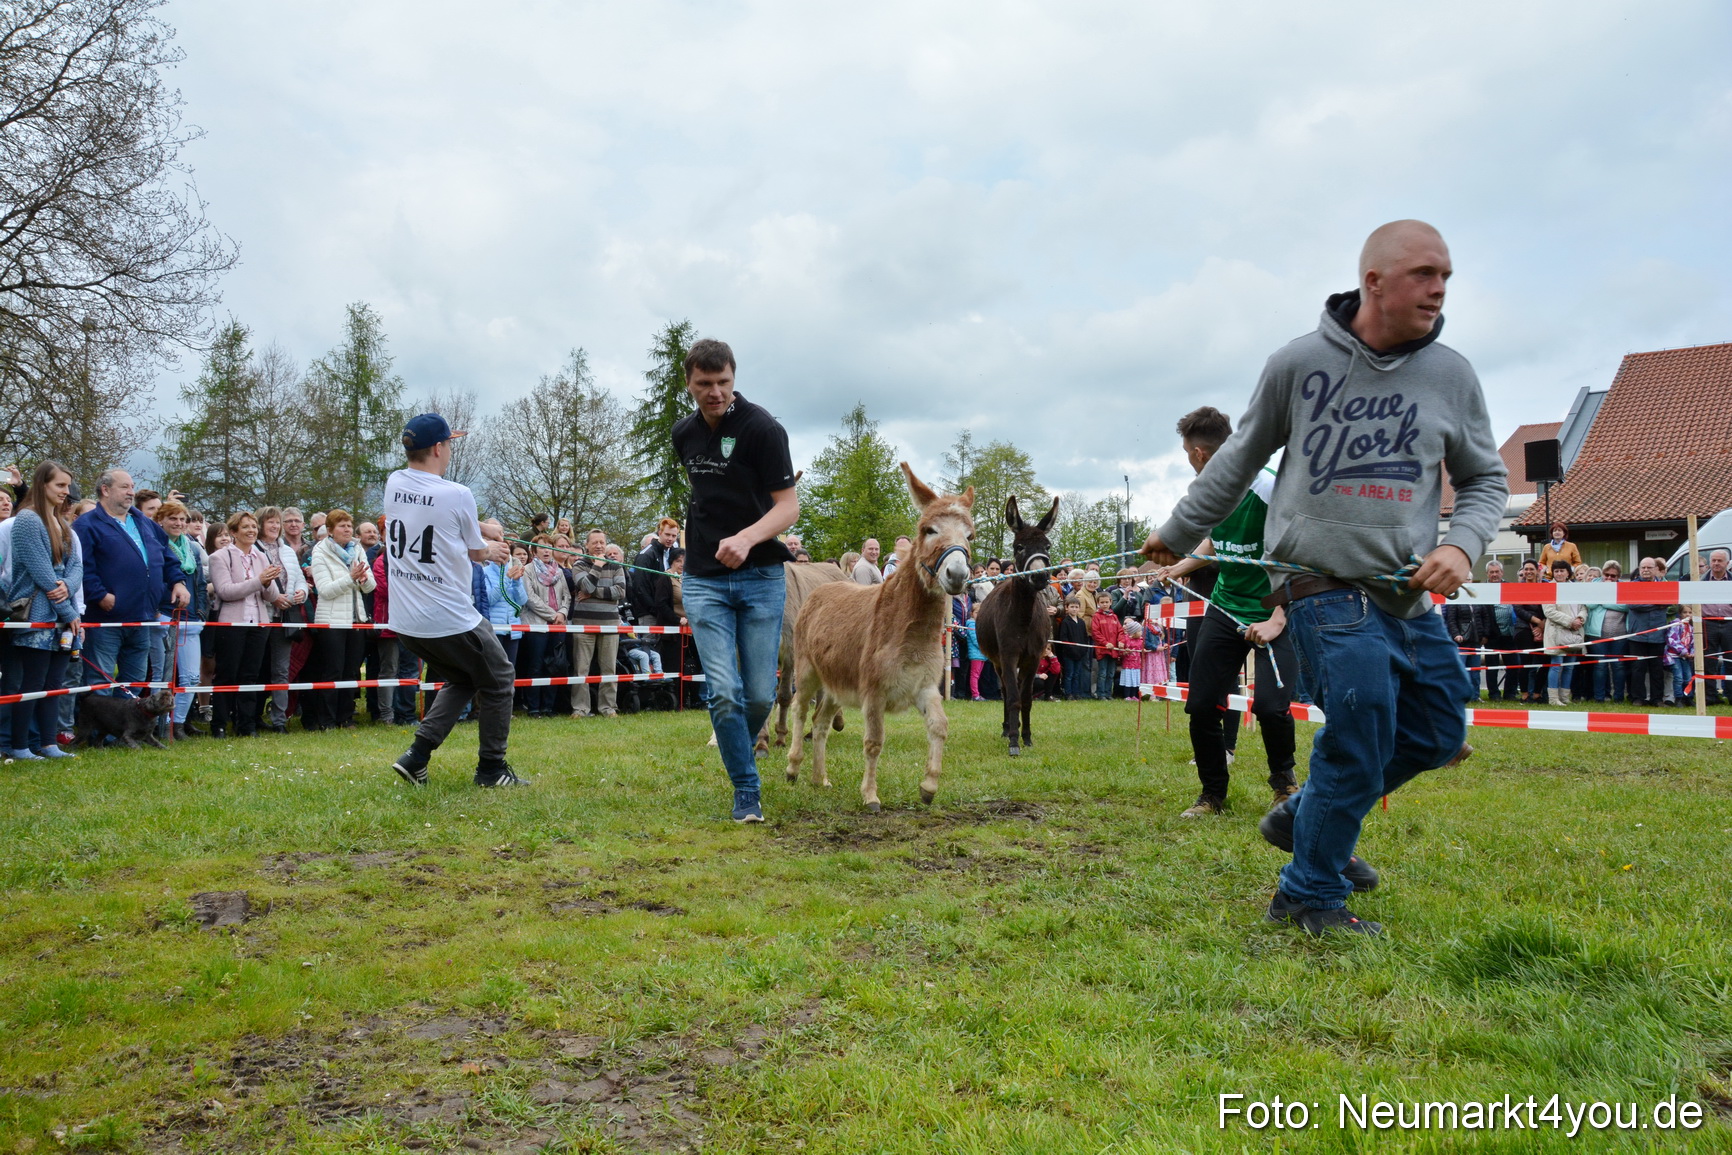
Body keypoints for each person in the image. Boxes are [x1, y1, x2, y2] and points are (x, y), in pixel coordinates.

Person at [1141, 220, 1506, 935]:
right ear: (1374, 282)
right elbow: (1238, 458)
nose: (1439, 288)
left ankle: (1304, 816)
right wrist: (1180, 531)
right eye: (1424, 274)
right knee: (1362, 723)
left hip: (1406, 592)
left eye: (1446, 276)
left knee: (1438, 730)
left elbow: (1486, 478)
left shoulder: (1452, 375)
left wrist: (1463, 545)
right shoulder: (1299, 364)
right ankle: (1309, 893)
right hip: (1320, 583)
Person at [671, 337, 799, 822]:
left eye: (723, 382)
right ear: (689, 383)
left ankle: (737, 752)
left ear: (734, 378)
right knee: (724, 692)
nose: (715, 392)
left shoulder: (763, 429)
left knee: (760, 695)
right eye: (704, 383)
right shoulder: (683, 434)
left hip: (761, 575)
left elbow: (788, 507)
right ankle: (747, 788)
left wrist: (746, 538)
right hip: (704, 580)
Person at [1157, 406, 1300, 816]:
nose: (1190, 461)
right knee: (1202, 704)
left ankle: (1284, 785)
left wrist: (1276, 618)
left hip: (1276, 608)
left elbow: (1300, 554)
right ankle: (1212, 795)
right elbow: (1217, 541)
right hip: (1225, 607)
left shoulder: (1270, 489)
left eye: (1187, 454)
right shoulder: (1212, 492)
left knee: (1270, 706)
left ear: (1199, 453)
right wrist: (1181, 567)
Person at [384, 413, 523, 788]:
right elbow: (478, 552)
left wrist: (482, 526)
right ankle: (491, 769)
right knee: (499, 679)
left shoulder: (395, 483)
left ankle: (416, 757)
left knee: (463, 677)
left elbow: (434, 515)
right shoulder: (458, 494)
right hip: (448, 615)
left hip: (406, 620)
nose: (449, 451)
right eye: (448, 444)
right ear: (437, 448)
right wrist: (492, 548)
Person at [74, 470, 191, 696]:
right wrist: (100, 596)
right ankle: (97, 722)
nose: (131, 492)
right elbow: (81, 567)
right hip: (105, 620)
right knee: (100, 683)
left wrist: (178, 581)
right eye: (125, 487)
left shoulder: (143, 522)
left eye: (132, 487)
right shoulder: (87, 525)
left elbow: (165, 554)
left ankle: (122, 721)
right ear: (105, 490)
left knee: (134, 682)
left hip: (142, 618)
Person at [7, 461, 81, 759]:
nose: (66, 491)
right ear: (42, 485)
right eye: (59, 485)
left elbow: (76, 567)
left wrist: (68, 587)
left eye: (67, 486)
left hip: (62, 617)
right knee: (32, 684)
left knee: (54, 685)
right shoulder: (27, 519)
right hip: (37, 615)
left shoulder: (61, 522)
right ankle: (20, 746)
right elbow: (42, 573)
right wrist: (69, 612)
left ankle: (49, 743)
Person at [208, 511, 280, 738]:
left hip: (259, 623)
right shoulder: (220, 557)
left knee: (251, 675)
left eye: (253, 526)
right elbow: (225, 591)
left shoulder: (261, 556)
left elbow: (272, 596)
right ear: (233, 532)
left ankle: (246, 725)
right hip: (232, 624)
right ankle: (219, 724)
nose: (251, 530)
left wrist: (267, 583)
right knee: (227, 674)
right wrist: (259, 581)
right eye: (246, 527)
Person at [305, 509, 376, 731]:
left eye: (349, 525)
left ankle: (346, 717)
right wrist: (350, 578)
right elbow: (325, 590)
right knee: (333, 670)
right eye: (342, 526)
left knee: (351, 670)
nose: (347, 529)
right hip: (331, 621)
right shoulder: (320, 552)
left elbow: (371, 586)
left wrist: (363, 579)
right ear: (330, 530)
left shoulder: (357, 550)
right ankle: (326, 719)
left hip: (357, 619)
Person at [256, 506, 310, 734]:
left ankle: (279, 720)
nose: (275, 526)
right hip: (261, 615)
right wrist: (275, 598)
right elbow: (253, 581)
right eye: (270, 522)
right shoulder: (253, 549)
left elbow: (298, 578)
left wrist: (301, 593)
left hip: (285, 616)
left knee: (281, 670)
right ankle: (251, 717)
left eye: (277, 522)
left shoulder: (286, 550)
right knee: (256, 669)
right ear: (260, 524)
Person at [155, 500, 206, 738]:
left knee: (192, 677)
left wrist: (202, 613)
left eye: (182, 519)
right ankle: (158, 725)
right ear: (160, 521)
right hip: (163, 616)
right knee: (162, 676)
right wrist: (155, 610)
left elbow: (201, 585)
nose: (178, 523)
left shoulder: (193, 549)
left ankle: (178, 723)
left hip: (191, 619)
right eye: (173, 518)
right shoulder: (154, 545)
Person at [567, 528, 625, 717]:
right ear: (587, 545)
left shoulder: (616, 566)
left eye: (602, 542)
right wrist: (598, 566)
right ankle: (580, 708)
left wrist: (593, 593)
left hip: (610, 624)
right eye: (595, 542)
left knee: (609, 668)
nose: (599, 546)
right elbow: (586, 585)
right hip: (584, 624)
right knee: (581, 669)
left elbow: (620, 591)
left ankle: (608, 707)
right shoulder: (579, 565)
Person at [370, 523, 421, 727]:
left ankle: (406, 714)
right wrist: (412, 592)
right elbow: (385, 589)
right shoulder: (380, 561)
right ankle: (387, 714)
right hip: (389, 624)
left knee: (410, 670)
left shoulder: (412, 560)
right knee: (389, 669)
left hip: (411, 623)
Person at [519, 536, 570, 717]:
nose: (547, 550)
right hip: (536, 624)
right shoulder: (527, 570)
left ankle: (549, 706)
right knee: (536, 665)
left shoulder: (559, 571)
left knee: (554, 665)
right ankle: (534, 707)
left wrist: (562, 613)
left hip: (558, 625)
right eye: (542, 547)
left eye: (549, 547)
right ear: (534, 551)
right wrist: (552, 615)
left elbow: (566, 596)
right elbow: (530, 598)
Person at [1624, 557, 1671, 708]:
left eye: (1649, 567)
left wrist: (1648, 602)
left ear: (1656, 569)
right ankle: (1638, 698)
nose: (1645, 570)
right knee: (1638, 668)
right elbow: (1634, 605)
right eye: (1643, 567)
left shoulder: (1664, 585)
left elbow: (1669, 602)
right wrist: (1657, 603)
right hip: (1638, 634)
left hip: (1658, 634)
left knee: (1657, 669)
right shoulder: (1632, 585)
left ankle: (1657, 699)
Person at [1541, 559, 1585, 705]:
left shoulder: (1575, 588)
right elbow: (1549, 611)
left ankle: (1565, 697)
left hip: (1575, 633)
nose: (1559, 574)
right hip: (1556, 633)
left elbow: (1584, 607)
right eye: (1556, 571)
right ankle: (1553, 698)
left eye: (1562, 571)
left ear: (1568, 573)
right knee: (1556, 665)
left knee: (1570, 666)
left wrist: (1580, 618)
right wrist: (1570, 621)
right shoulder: (1549, 588)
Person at [1702, 549, 1730, 707]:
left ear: (1727, 563)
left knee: (1730, 661)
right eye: (1714, 560)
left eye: (1720, 560)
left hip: (1730, 623)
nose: (1716, 563)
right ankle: (1709, 697)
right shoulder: (1700, 581)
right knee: (1709, 661)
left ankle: (1730, 695)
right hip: (1708, 624)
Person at [1055, 597, 1090, 699]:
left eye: (1076, 607)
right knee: (1069, 674)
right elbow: (1063, 638)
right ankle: (1068, 693)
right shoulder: (1065, 622)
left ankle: (1076, 693)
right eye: (1072, 607)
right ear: (1067, 608)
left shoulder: (1081, 622)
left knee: (1077, 674)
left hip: (1080, 654)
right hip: (1069, 654)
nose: (1074, 609)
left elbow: (1085, 637)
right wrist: (1072, 649)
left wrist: (1083, 650)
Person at [1091, 593, 1124, 699]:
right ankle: (1101, 694)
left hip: (1113, 650)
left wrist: (1121, 641)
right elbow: (1095, 632)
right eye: (1102, 602)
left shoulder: (1114, 617)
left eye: (1106, 602)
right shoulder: (1096, 616)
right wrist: (1105, 643)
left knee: (1111, 673)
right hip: (1102, 650)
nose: (1104, 604)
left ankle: (1108, 693)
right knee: (1102, 673)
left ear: (1111, 602)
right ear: (1098, 603)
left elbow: (1120, 631)